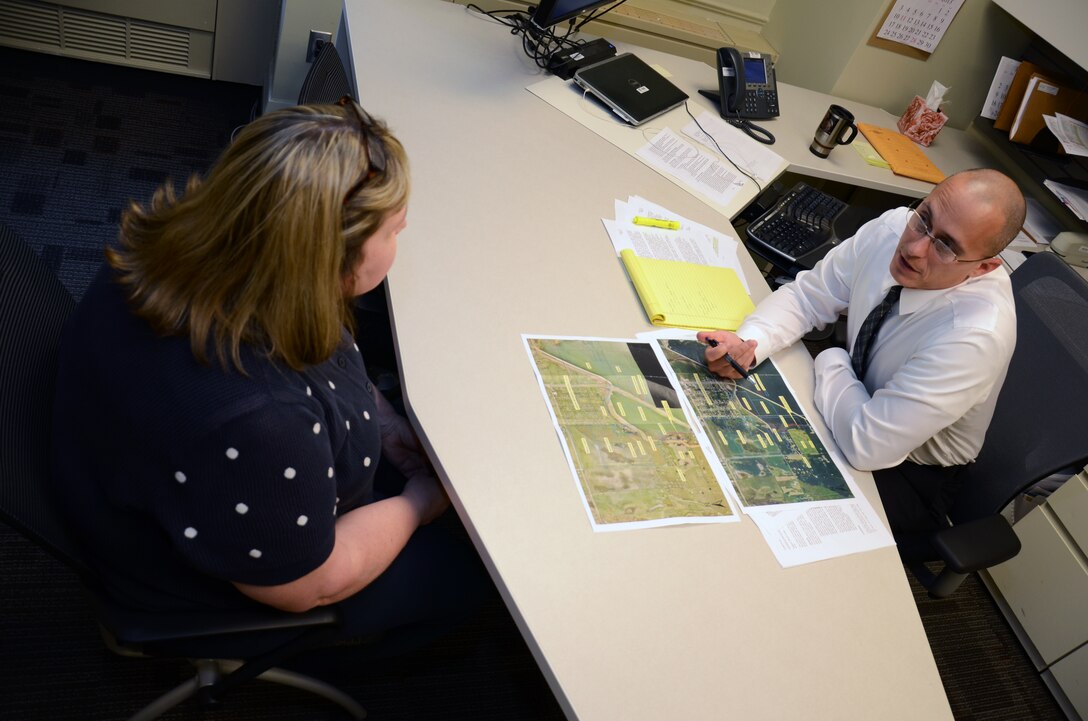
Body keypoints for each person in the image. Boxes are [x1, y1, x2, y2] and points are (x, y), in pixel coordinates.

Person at [50, 97, 491, 660]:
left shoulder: (192, 253)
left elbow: (322, 357)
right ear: (333, 258)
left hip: (174, 477)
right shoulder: (256, 418)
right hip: (208, 573)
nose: (401, 240)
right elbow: (309, 583)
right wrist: (419, 502)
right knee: (465, 573)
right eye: (395, 230)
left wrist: (382, 423)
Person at [698, 168, 1026, 558]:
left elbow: (867, 446)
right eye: (924, 218)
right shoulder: (894, 229)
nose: (915, 247)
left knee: (755, 512)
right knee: (718, 442)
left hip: (910, 472)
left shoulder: (974, 335)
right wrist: (751, 343)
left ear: (983, 267)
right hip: (852, 402)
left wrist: (831, 359)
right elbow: (809, 296)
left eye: (945, 247)